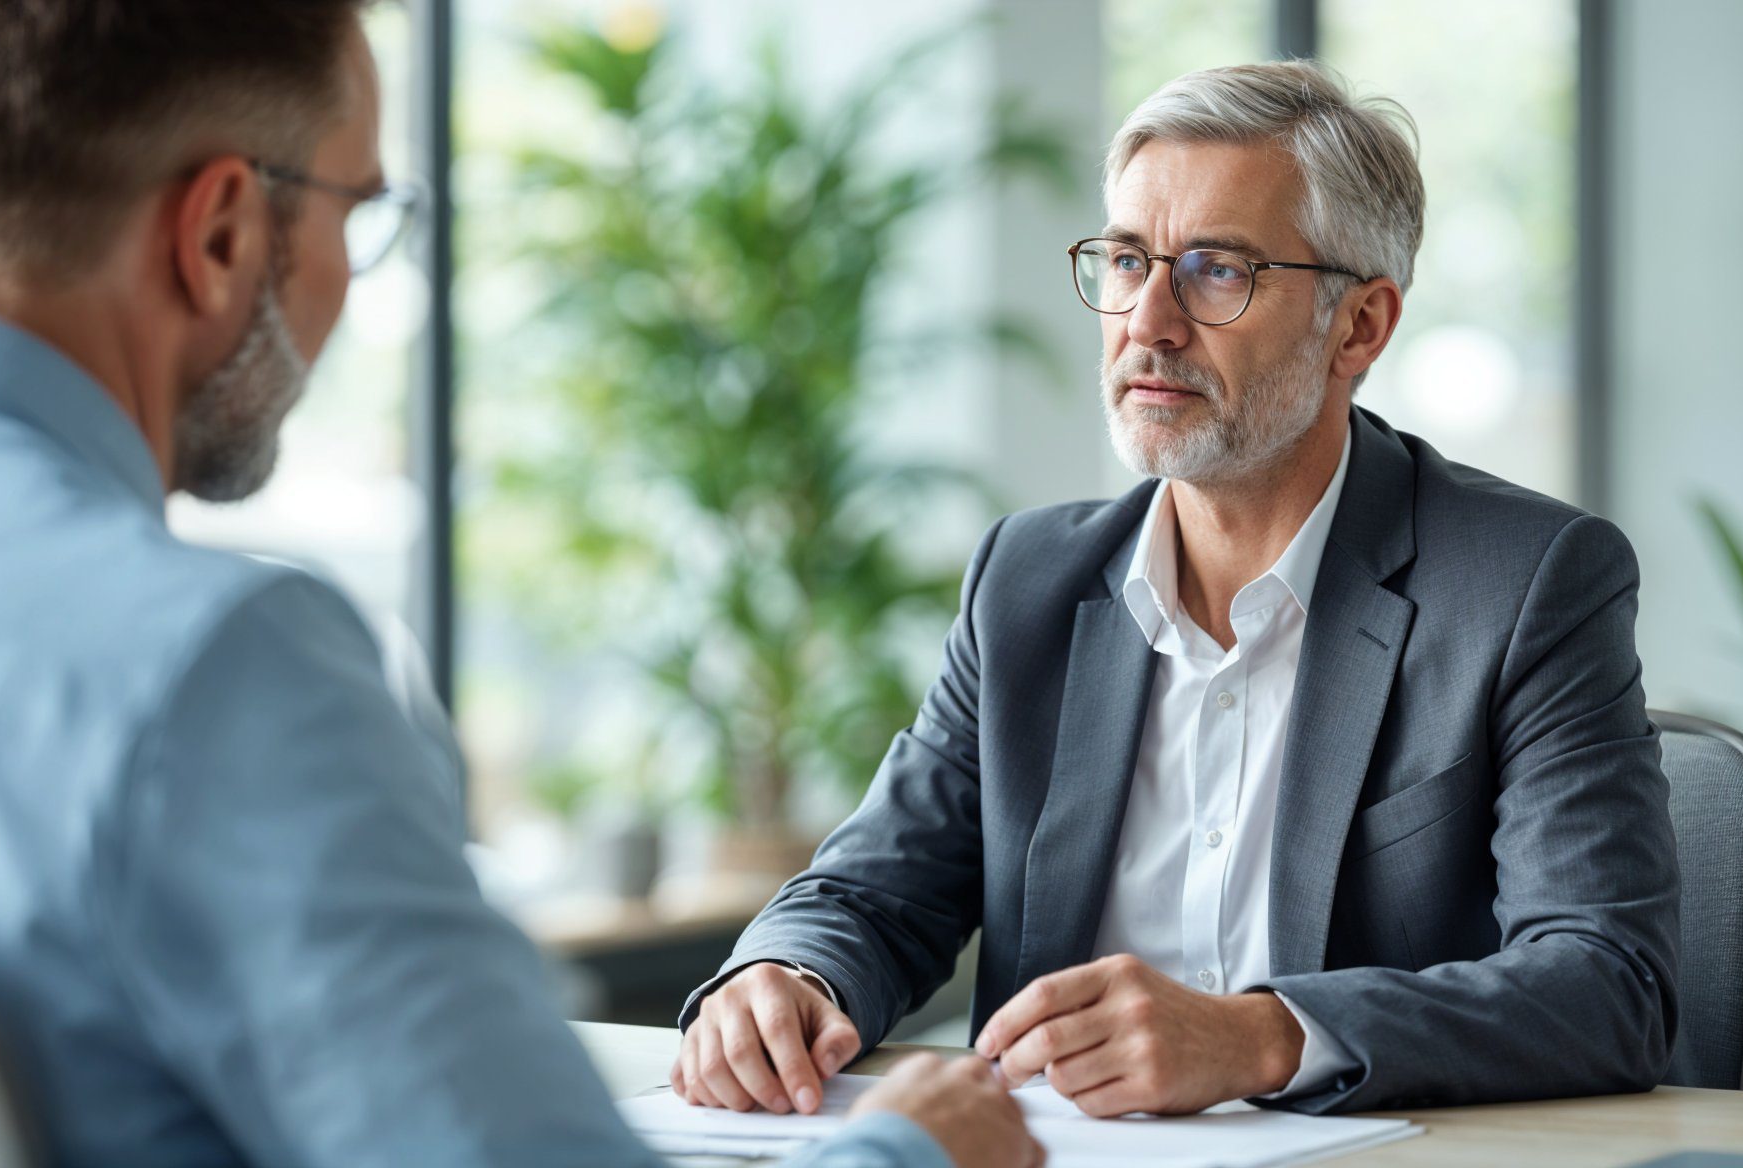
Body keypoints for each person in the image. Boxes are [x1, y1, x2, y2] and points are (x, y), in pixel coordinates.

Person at [0, 3, 1043, 1166]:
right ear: (222, 235)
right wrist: (910, 1147)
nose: (350, 275)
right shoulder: (210, 665)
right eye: (359, 210)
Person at [675, 60, 1680, 1120]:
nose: (1145, 321)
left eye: (1215, 270)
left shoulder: (1527, 580)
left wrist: (1263, 1034)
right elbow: (873, 890)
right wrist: (785, 977)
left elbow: (1609, 982)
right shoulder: (1025, 580)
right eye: (1123, 261)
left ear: (1359, 327)